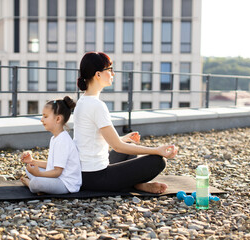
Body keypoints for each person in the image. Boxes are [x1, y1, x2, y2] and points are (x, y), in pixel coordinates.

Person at [73, 52, 178, 193]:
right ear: (98, 75)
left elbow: (94, 140)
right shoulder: (97, 105)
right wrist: (156, 150)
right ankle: (137, 184)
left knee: (129, 145)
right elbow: (117, 147)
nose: (113, 74)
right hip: (95, 177)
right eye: (109, 70)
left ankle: (137, 184)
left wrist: (123, 139)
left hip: (83, 173)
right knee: (158, 161)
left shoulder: (83, 101)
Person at [20, 96, 82, 194]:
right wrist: (32, 161)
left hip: (65, 183)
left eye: (45, 116)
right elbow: (51, 165)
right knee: (29, 167)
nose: (41, 120)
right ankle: (40, 187)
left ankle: (30, 184)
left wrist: (39, 174)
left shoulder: (63, 141)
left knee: (36, 182)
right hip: (56, 177)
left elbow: (57, 171)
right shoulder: (55, 138)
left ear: (58, 119)